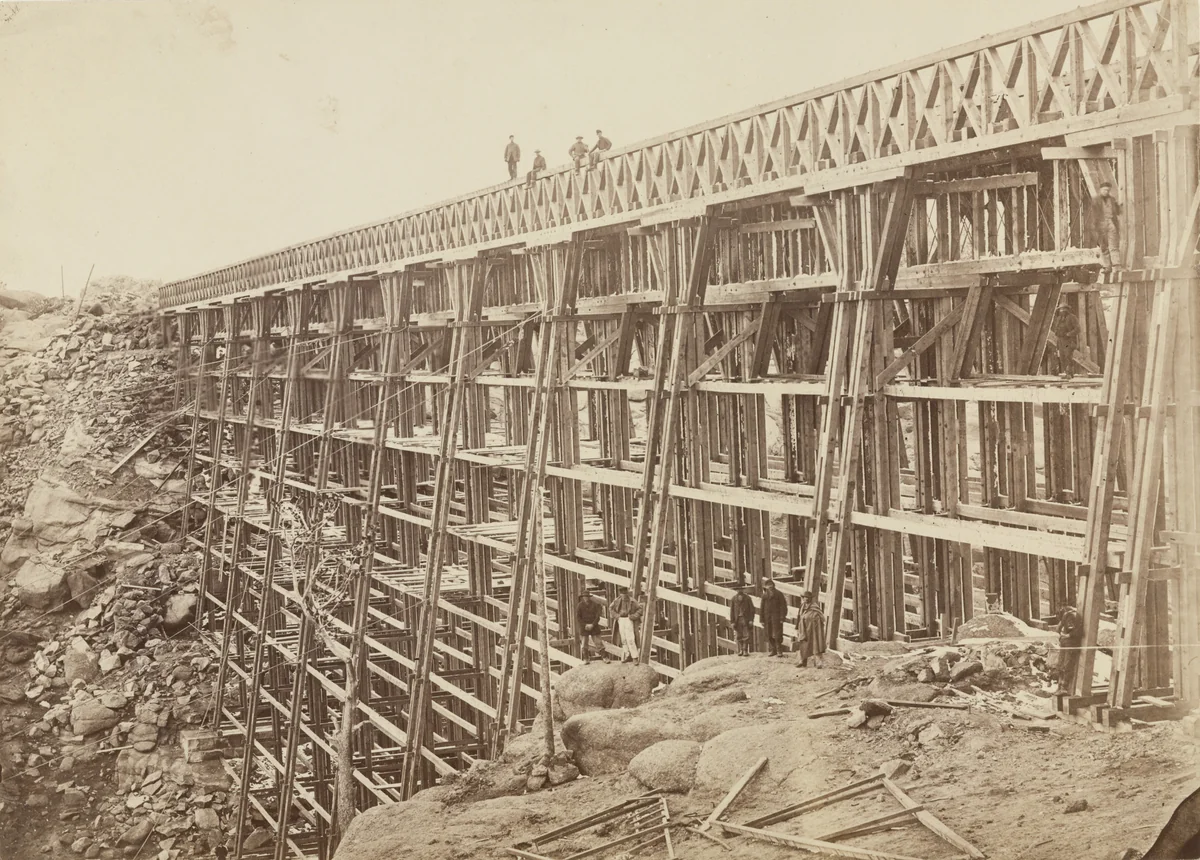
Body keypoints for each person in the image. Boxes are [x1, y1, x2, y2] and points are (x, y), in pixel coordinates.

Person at [1085, 180, 1121, 271]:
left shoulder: (1112, 200)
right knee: (1103, 246)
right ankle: (1107, 266)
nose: (1106, 192)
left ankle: (1116, 265)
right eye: (1104, 190)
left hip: (1111, 223)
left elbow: (1117, 212)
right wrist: (1095, 226)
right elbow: (1094, 214)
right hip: (1101, 225)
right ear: (1100, 190)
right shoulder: (1096, 200)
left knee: (1114, 245)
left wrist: (1119, 207)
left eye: (1108, 190)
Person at [610, 586, 643, 662]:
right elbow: (611, 608)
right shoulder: (617, 600)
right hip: (621, 619)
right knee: (623, 639)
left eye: (625, 593)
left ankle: (635, 657)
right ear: (620, 594)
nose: (624, 596)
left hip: (629, 619)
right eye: (622, 594)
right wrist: (617, 616)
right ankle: (628, 655)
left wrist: (633, 616)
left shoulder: (632, 601)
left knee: (630, 638)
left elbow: (640, 609)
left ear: (627, 593)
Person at [1057, 604, 1083, 692]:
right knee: (1063, 664)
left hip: (1070, 644)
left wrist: (1066, 635)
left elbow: (1076, 632)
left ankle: (1063, 687)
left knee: (1065, 665)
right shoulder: (1071, 615)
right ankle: (1062, 686)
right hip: (1066, 643)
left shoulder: (1070, 616)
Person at [759, 577, 789, 657]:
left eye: (771, 585)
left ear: (773, 586)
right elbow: (762, 608)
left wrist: (782, 617)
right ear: (766, 587)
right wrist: (761, 619)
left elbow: (783, 606)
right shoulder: (764, 596)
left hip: (777, 618)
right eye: (768, 586)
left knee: (777, 634)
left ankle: (779, 650)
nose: (770, 587)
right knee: (769, 634)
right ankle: (773, 649)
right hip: (767, 617)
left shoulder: (779, 594)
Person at [576, 587, 607, 663]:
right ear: (583, 597)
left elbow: (597, 617)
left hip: (594, 626)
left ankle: (605, 657)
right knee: (584, 644)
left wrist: (592, 625)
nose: (586, 598)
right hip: (584, 627)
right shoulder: (579, 606)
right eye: (584, 597)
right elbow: (578, 617)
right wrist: (585, 625)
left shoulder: (595, 605)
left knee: (598, 643)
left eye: (587, 596)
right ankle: (586, 659)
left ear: (589, 597)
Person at [796, 591, 827, 667]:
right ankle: (803, 661)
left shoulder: (814, 607)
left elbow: (821, 617)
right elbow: (799, 617)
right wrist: (797, 627)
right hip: (804, 629)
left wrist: (815, 621)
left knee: (816, 645)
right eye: (804, 597)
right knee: (803, 644)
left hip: (813, 630)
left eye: (807, 598)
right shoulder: (802, 606)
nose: (806, 599)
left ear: (810, 599)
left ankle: (819, 663)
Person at [1050, 303, 1079, 378]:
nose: (1061, 311)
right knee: (1062, 357)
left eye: (1063, 309)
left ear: (1067, 310)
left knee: (1068, 356)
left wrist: (1069, 334)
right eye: (1060, 309)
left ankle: (1070, 373)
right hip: (1060, 340)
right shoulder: (1059, 318)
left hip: (1069, 340)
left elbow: (1078, 329)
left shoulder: (1072, 317)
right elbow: (1057, 328)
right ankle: (1067, 373)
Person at [729, 581, 755, 656]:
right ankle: (741, 650)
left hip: (745, 619)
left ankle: (745, 650)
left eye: (741, 589)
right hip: (737, 620)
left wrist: (751, 620)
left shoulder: (748, 598)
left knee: (746, 635)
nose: (739, 591)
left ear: (743, 590)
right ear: (736, 590)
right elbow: (732, 611)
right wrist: (732, 621)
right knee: (739, 635)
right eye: (738, 589)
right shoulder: (734, 599)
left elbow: (752, 610)